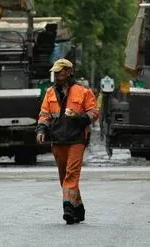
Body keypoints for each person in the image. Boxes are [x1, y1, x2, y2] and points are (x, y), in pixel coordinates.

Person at [35, 59, 99, 225]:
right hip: (57, 139)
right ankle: (78, 207)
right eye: (56, 72)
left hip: (77, 139)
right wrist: (41, 130)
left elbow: (94, 113)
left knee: (71, 173)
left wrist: (78, 117)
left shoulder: (83, 91)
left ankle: (68, 208)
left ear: (70, 72)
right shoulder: (50, 92)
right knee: (64, 176)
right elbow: (44, 115)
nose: (58, 74)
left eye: (61, 71)